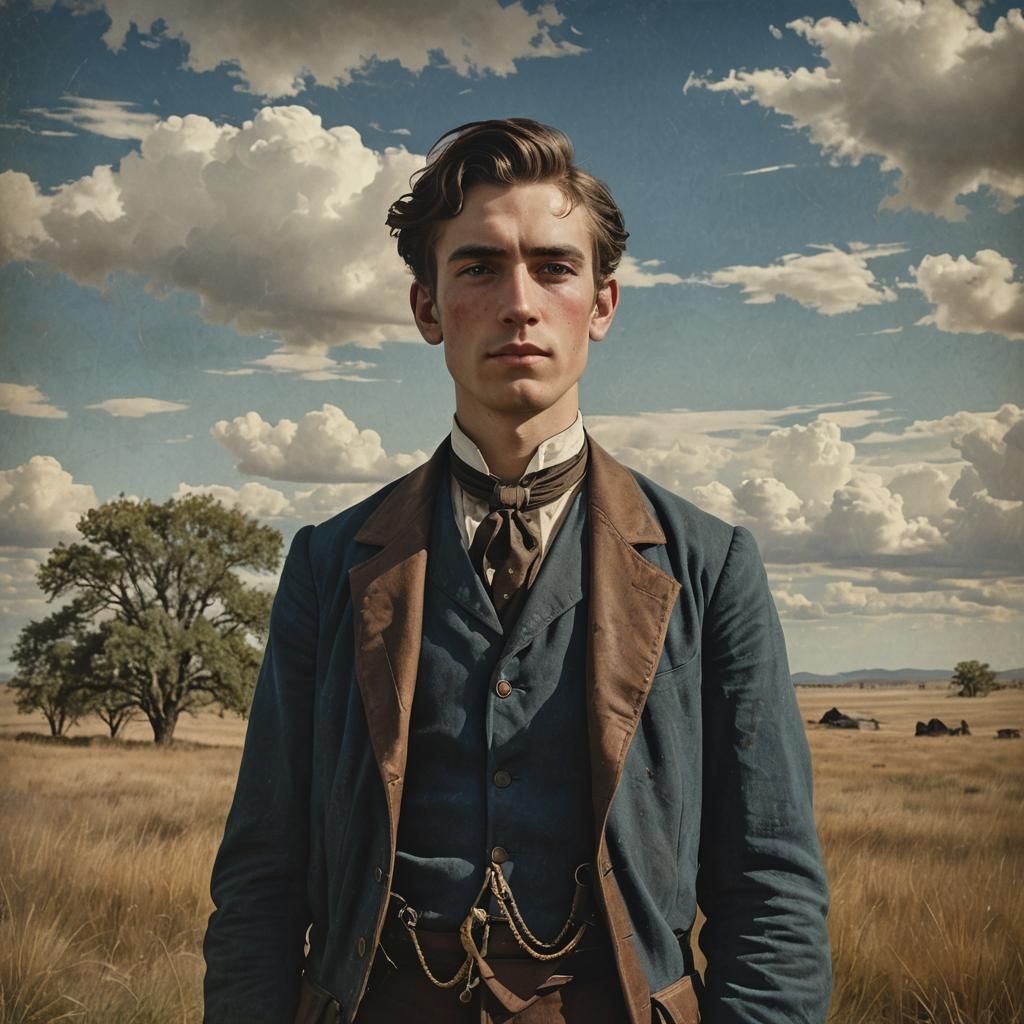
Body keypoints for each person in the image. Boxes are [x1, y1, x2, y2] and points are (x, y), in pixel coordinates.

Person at [203, 118, 831, 1024]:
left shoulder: (710, 564)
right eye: (479, 267)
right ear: (427, 308)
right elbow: (261, 878)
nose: (520, 301)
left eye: (554, 266)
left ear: (603, 305)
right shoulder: (327, 563)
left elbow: (771, 885)